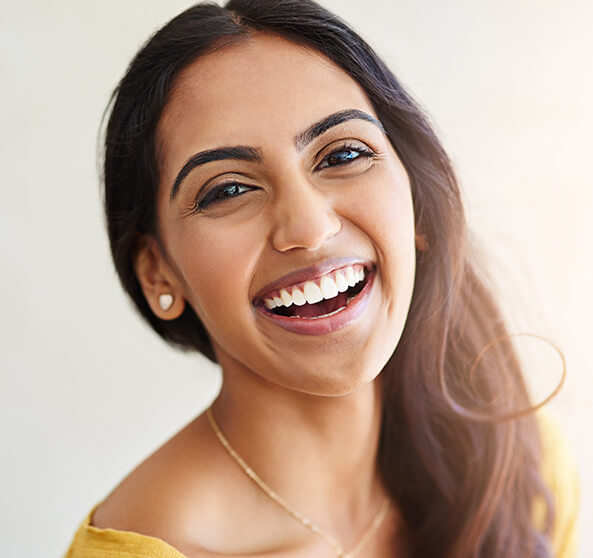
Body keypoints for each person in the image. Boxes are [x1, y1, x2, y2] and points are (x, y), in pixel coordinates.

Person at [63, 0, 579, 556]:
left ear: (418, 207)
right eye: (229, 190)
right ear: (157, 270)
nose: (308, 227)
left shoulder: (519, 464)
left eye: (343, 154)